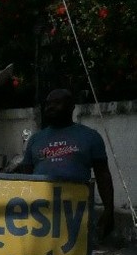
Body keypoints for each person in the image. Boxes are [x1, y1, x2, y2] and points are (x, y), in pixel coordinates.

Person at [21, 88, 115, 240]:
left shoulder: (90, 136)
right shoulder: (35, 139)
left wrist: (108, 209)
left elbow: (103, 174)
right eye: (48, 104)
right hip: (40, 215)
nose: (50, 107)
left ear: (72, 106)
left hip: (76, 215)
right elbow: (25, 178)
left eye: (57, 103)